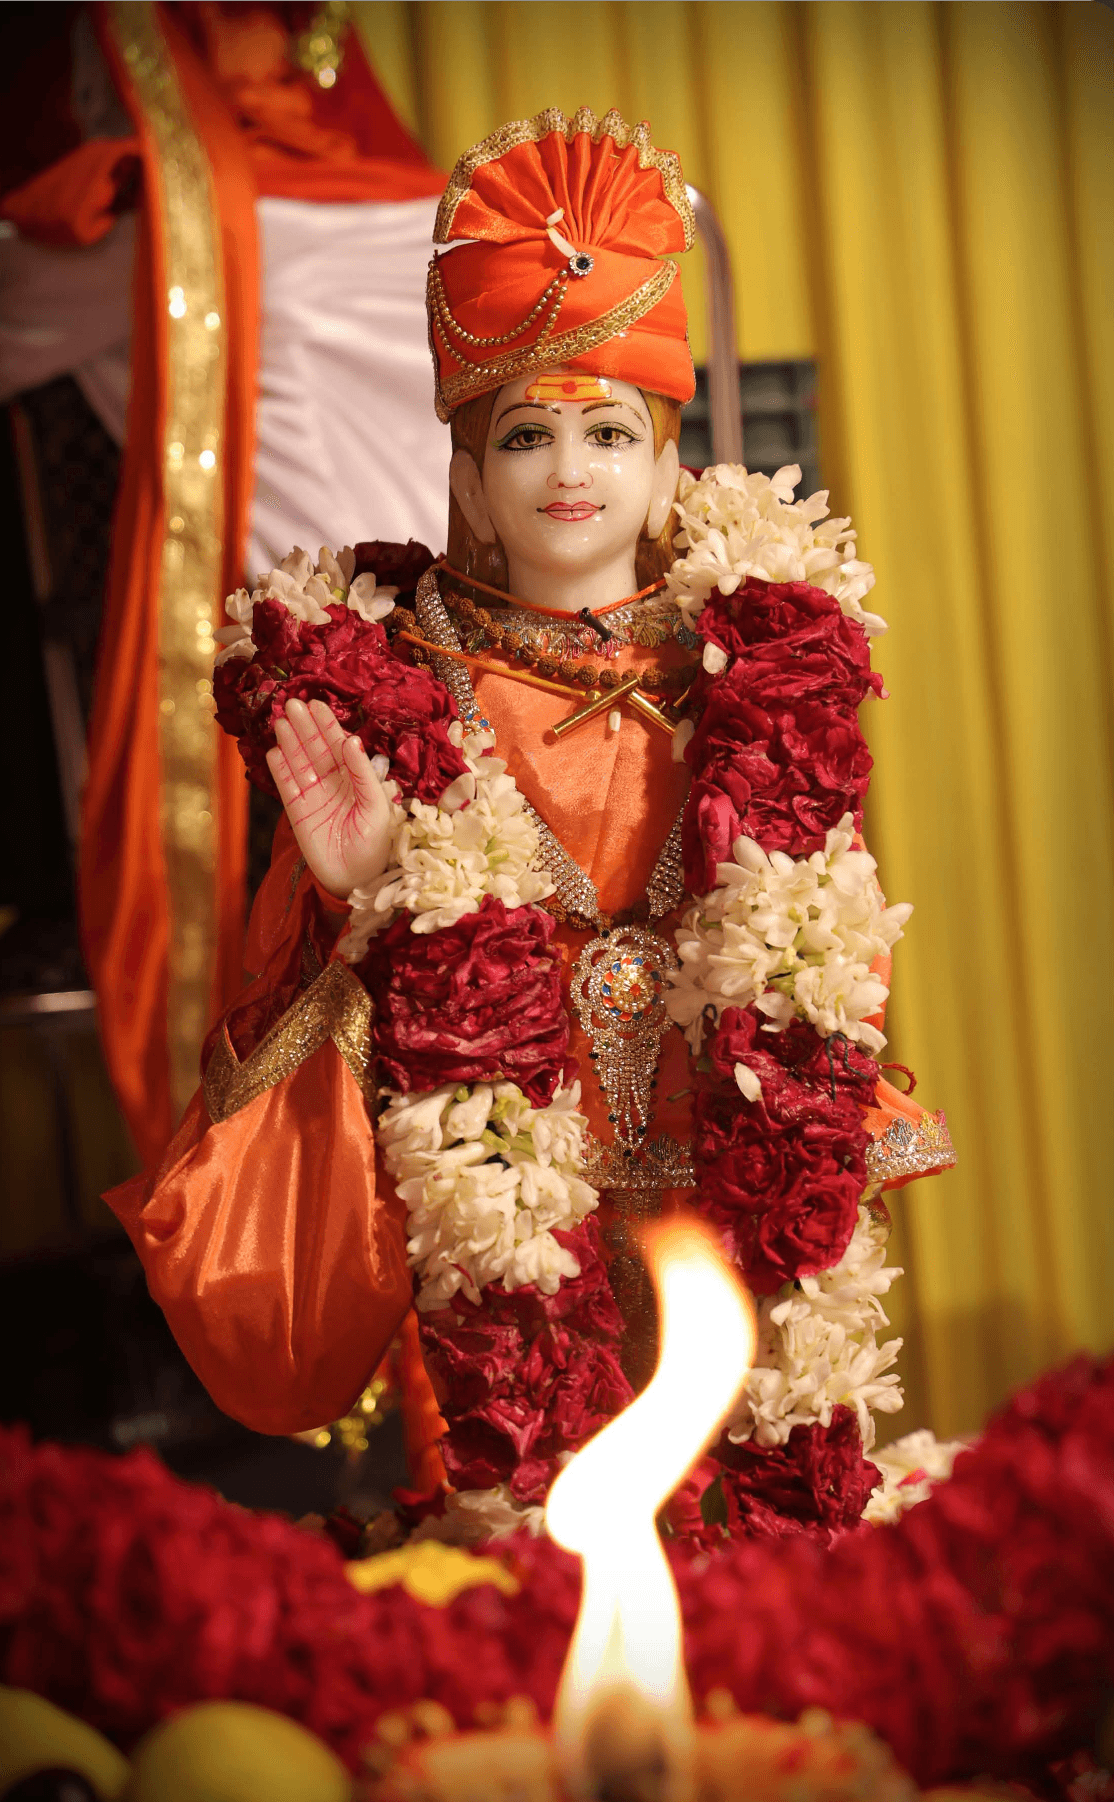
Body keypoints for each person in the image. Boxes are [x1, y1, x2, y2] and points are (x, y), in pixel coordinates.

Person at [109, 109, 954, 1533]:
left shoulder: (760, 671)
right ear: (472, 479)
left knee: (769, 1534)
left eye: (609, 431)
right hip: (510, 1214)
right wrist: (369, 895)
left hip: (731, 1188)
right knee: (547, 1537)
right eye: (527, 434)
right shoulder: (398, 689)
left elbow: (832, 957)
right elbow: (299, 1066)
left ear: (668, 464)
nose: (572, 468)